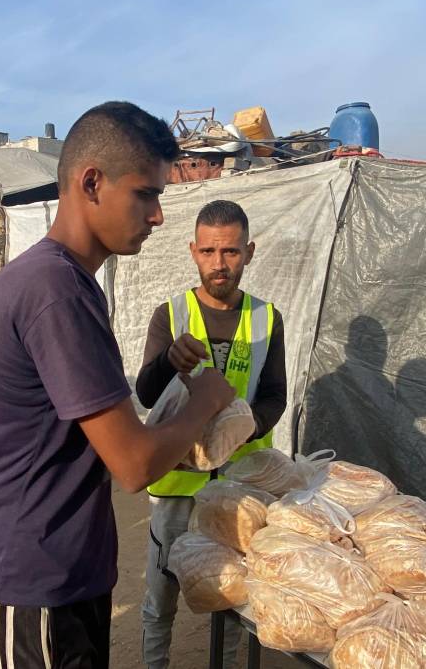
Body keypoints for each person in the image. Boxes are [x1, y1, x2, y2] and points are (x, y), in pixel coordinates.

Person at [0, 102, 236, 669]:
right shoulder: (56, 291)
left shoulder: (64, 282)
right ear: (91, 182)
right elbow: (132, 464)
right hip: (28, 583)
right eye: (146, 194)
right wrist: (203, 401)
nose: (157, 215)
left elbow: (100, 430)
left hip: (64, 572)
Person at [136, 199, 287, 669]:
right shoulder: (171, 314)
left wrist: (244, 428)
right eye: (208, 252)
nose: (219, 264)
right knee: (162, 594)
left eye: (230, 252)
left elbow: (275, 396)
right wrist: (167, 362)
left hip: (242, 487)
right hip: (178, 486)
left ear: (250, 251)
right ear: (192, 251)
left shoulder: (267, 319)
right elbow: (145, 392)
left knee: (237, 594)